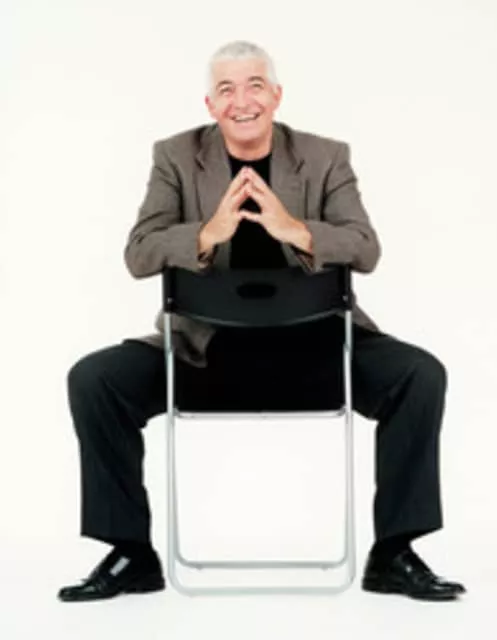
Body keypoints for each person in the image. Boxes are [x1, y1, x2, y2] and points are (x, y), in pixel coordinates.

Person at [58, 40, 466, 603]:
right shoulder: (175, 157)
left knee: (420, 374)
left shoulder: (325, 157)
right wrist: (208, 234)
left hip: (317, 352)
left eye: (254, 85)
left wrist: (292, 227)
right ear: (210, 104)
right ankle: (131, 554)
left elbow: (365, 247)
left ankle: (394, 554)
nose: (241, 101)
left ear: (276, 95)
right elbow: (139, 252)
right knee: (94, 379)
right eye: (226, 89)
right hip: (206, 356)